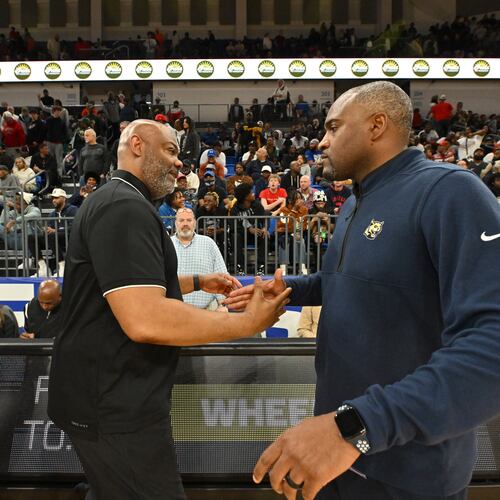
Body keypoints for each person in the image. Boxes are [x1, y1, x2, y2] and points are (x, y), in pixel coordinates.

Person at [225, 81, 500, 500]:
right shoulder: (356, 200)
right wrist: (290, 290)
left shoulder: (449, 192)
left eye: (334, 127)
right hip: (338, 457)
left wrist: (357, 425)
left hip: (407, 472)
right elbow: (353, 282)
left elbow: (492, 346)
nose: (322, 140)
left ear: (376, 126)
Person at [47, 119, 290, 500]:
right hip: (115, 403)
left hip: (104, 397)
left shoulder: (115, 200)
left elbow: (121, 287)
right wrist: (246, 322)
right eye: (171, 151)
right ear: (138, 146)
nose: (180, 164)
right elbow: (145, 318)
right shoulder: (124, 207)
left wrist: (197, 282)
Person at [173, 207, 228, 309]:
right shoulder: (166, 245)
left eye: (189, 220)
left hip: (206, 311)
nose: (185, 224)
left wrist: (222, 305)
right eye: (181, 220)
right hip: (174, 312)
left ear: (194, 223)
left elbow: (221, 276)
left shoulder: (208, 243)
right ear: (176, 223)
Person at [28, 188, 78, 277]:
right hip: (54, 239)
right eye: (53, 198)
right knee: (32, 237)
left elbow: (74, 227)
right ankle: (43, 268)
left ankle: (62, 266)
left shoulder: (73, 210)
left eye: (56, 198)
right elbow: (51, 229)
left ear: (64, 198)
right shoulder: (52, 214)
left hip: (69, 238)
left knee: (52, 235)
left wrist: (56, 230)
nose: (54, 200)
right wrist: (46, 230)